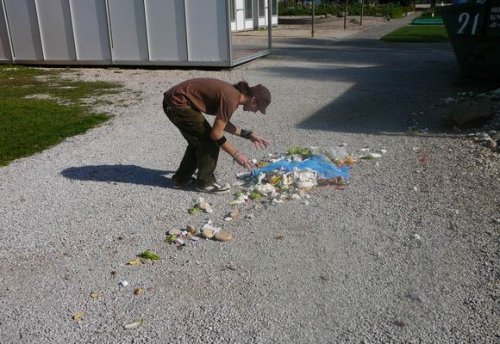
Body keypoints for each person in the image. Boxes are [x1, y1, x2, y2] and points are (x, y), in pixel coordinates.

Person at [163, 78, 271, 194]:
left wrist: (248, 135)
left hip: (174, 102)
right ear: (253, 100)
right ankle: (205, 183)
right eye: (257, 108)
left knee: (198, 142)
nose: (255, 111)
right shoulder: (231, 99)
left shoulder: (233, 95)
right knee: (210, 143)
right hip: (177, 104)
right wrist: (237, 155)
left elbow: (224, 124)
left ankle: (181, 179)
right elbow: (216, 134)